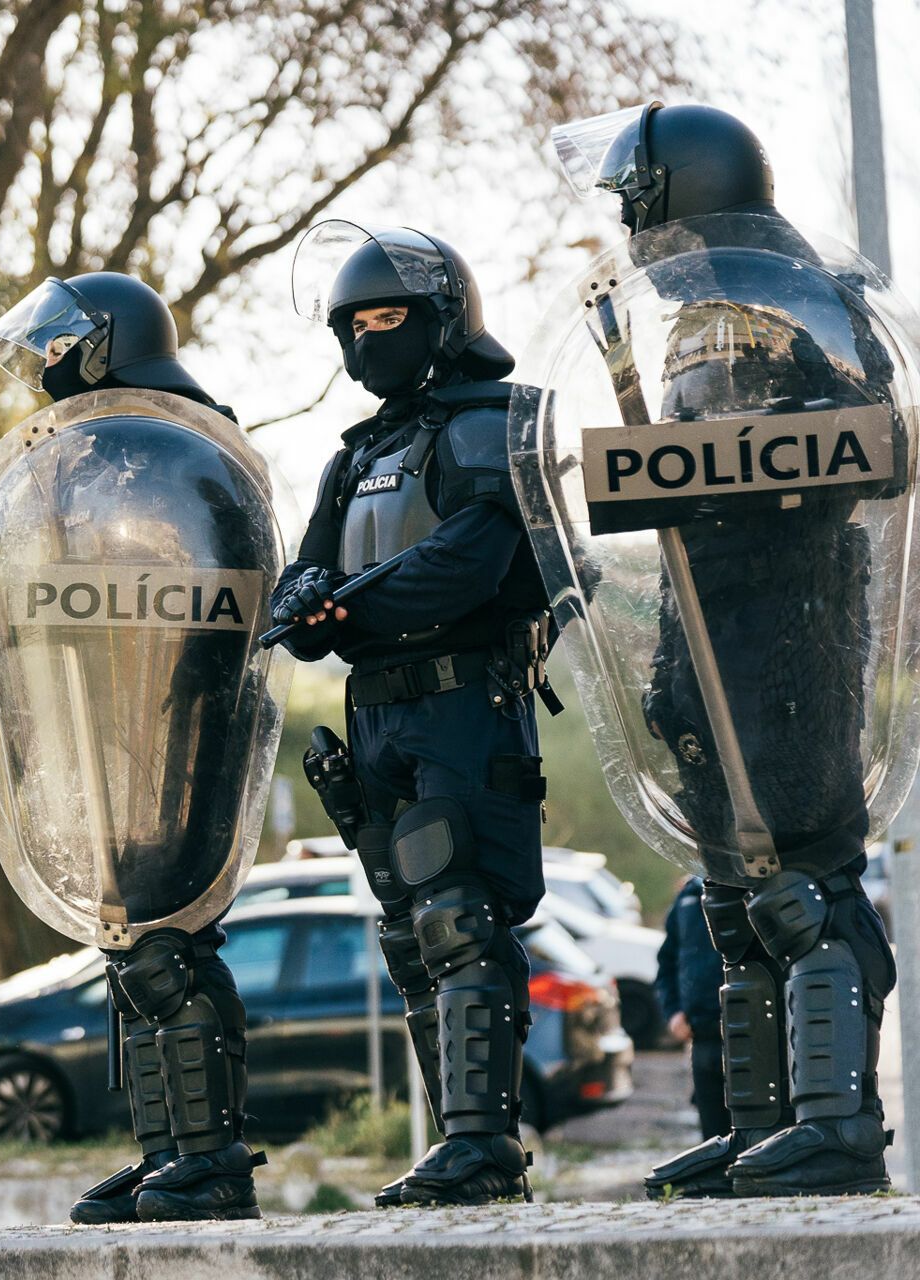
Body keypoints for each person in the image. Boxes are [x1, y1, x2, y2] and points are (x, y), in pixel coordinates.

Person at [547, 104, 903, 1201]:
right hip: (702, 617)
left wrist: (729, 475)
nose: (628, 219)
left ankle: (836, 1122)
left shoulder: (813, 300)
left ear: (680, 187)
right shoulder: (696, 316)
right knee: (734, 892)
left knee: (806, 872)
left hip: (791, 622)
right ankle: (760, 1123)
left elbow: (872, 442)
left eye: (636, 196)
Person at [0, 272, 268, 1223]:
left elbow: (232, 589)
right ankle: (163, 1153)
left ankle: (213, 1159)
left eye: (66, 346)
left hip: (185, 716)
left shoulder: (194, 447)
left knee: (173, 941)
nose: (51, 365)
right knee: (127, 947)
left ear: (112, 344)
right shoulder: (82, 457)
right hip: (103, 720)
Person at [271, 227, 552, 1205]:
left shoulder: (492, 423)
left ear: (441, 319)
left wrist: (345, 610)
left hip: (465, 700)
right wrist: (306, 602)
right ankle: (457, 1147)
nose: (368, 337)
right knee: (410, 933)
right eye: (352, 325)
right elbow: (303, 581)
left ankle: (484, 1146)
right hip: (376, 716)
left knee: (460, 917)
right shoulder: (355, 456)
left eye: (387, 316)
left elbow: (465, 563)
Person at [656, 876, 728, 1141]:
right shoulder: (688, 898)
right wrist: (673, 1012)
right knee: (713, 1135)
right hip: (701, 1036)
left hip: (748, 1033)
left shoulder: (744, 890)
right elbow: (667, 963)